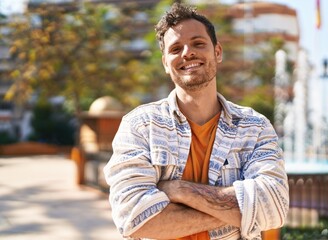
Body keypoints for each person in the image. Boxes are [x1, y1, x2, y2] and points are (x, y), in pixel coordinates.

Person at [104, 2, 289, 240]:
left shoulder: (255, 127)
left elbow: (274, 207)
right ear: (165, 64)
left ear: (218, 52)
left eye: (198, 43)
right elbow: (134, 220)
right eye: (175, 48)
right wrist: (246, 210)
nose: (187, 52)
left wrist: (179, 190)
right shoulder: (140, 126)